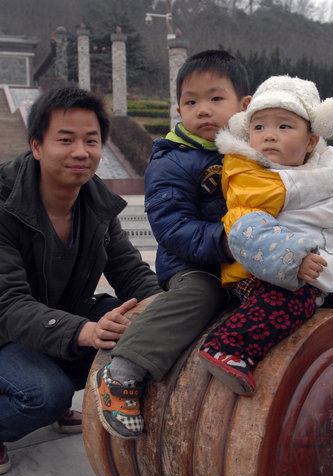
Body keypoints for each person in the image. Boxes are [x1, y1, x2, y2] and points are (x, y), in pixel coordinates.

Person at [199, 75, 333, 395]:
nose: (269, 135)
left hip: (317, 269)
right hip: (263, 272)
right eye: (259, 127)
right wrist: (294, 258)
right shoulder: (252, 178)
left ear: (310, 141)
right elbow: (246, 227)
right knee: (290, 301)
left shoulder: (319, 173)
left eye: (284, 127)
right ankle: (228, 347)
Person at [0, 87, 161, 474]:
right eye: (65, 139)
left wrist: (164, 310)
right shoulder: (5, 204)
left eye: (91, 141)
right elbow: (8, 304)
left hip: (57, 320)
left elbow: (130, 272)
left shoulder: (94, 202)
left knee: (129, 325)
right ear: (37, 145)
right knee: (44, 396)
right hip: (6, 334)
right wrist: (85, 332)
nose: (80, 152)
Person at [92, 50, 251, 439]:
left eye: (216, 99)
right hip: (192, 262)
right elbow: (172, 227)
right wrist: (225, 243)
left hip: (248, 258)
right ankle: (124, 370)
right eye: (191, 102)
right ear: (178, 108)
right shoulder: (173, 161)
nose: (203, 110)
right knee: (201, 293)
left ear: (244, 105)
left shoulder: (254, 154)